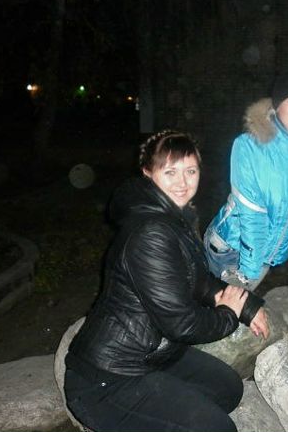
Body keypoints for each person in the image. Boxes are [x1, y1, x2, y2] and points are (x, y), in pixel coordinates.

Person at [64, 130, 269, 432]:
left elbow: (198, 281)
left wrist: (246, 306)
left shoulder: (175, 216)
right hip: (108, 379)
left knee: (228, 390)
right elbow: (182, 325)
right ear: (148, 173)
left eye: (191, 171)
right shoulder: (150, 232)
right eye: (170, 172)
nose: (182, 182)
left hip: (154, 356)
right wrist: (228, 314)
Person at [204, 71, 288, 291]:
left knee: (238, 307)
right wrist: (248, 273)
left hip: (266, 253)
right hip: (233, 248)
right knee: (221, 309)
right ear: (277, 105)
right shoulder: (249, 145)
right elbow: (252, 211)